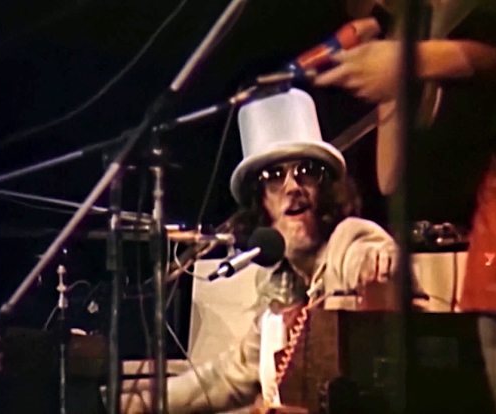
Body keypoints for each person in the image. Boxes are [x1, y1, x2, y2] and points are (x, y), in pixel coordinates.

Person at [120, 87, 399, 413]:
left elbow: (368, 252)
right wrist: (132, 403)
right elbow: (223, 379)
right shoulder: (280, 293)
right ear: (261, 202)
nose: (293, 187)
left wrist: (375, 263)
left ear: (324, 189)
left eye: (306, 172)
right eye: (274, 176)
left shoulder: (347, 241)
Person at [314, 1, 496, 411]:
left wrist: (411, 60)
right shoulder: (421, 24)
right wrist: (394, 66)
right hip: (484, 257)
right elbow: (390, 177)